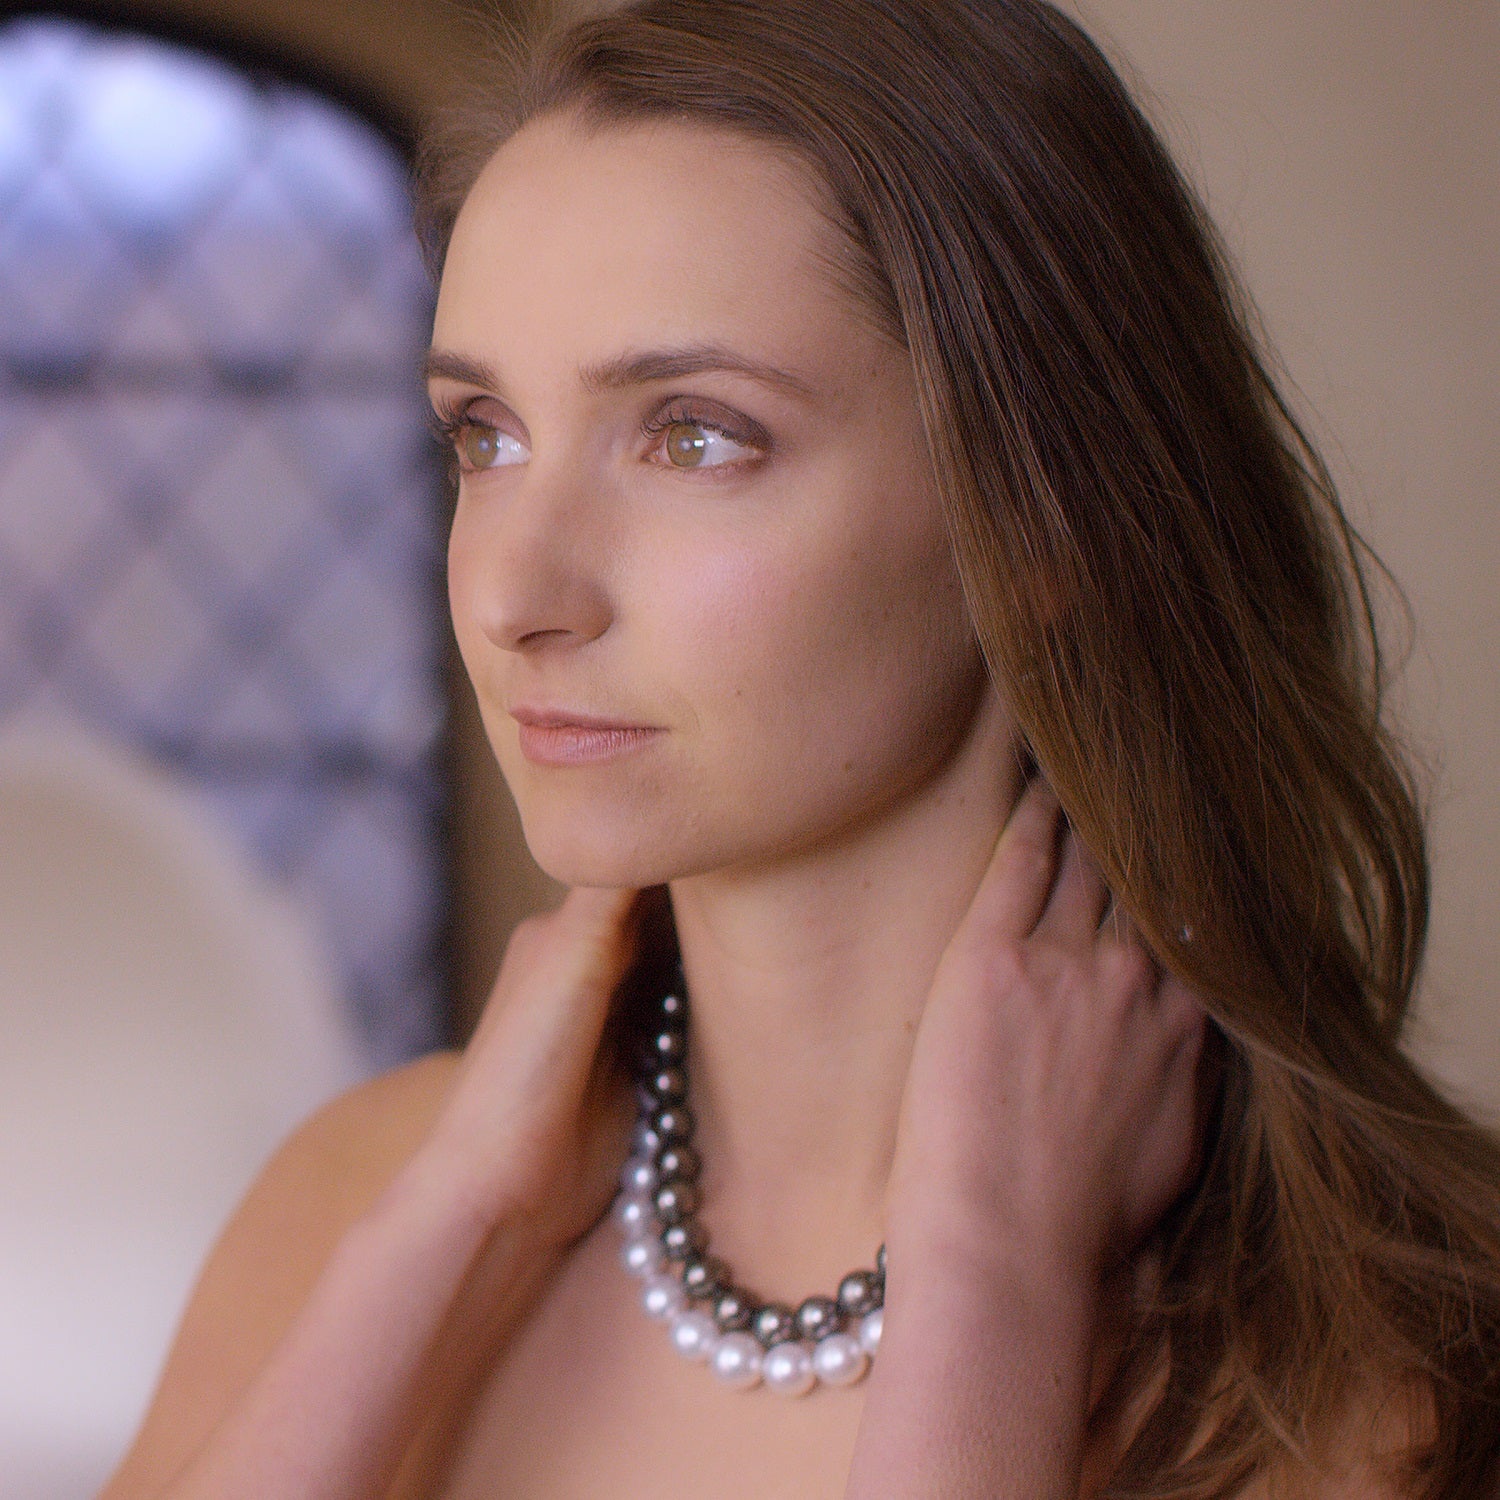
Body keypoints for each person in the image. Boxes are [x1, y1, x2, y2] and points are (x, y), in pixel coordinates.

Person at [101, 0, 1500, 1495]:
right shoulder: (354, 1202)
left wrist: (996, 1279)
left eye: (694, 435)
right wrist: (447, 1224)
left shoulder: (1399, 1387)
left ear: (1044, 513)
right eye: (484, 434)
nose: (512, 595)